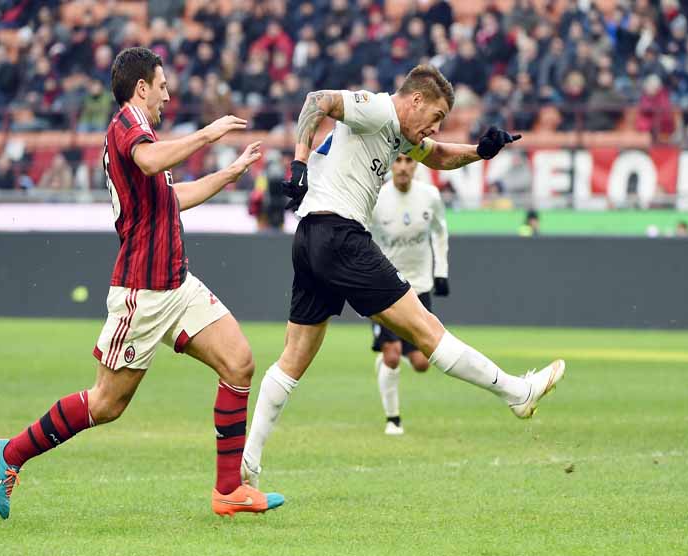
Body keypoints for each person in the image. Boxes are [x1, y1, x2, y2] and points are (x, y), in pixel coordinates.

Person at [0, 47, 283, 520]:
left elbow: (171, 198)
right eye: (162, 86)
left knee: (239, 363)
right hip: (141, 293)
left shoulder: (144, 135)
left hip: (177, 284)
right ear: (141, 87)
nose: (167, 94)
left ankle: (228, 491)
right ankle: (11, 453)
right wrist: (206, 134)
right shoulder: (127, 126)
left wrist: (226, 175)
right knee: (106, 404)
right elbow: (149, 163)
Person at [241, 64, 566, 494]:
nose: (434, 126)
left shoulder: (398, 133)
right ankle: (515, 393)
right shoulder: (375, 109)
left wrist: (481, 151)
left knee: (293, 359)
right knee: (427, 331)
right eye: (434, 117)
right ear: (415, 101)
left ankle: (247, 467)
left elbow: (438, 156)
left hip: (311, 239)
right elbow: (316, 101)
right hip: (341, 235)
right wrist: (298, 162)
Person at [369, 152, 449, 435]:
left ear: (416, 165)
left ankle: (388, 355)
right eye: (398, 161)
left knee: (422, 363)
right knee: (392, 355)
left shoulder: (430, 196)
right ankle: (393, 419)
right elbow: (362, 236)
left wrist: (442, 271)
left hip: (420, 286)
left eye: (409, 161)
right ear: (391, 164)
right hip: (385, 287)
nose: (403, 167)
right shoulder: (376, 199)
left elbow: (440, 231)